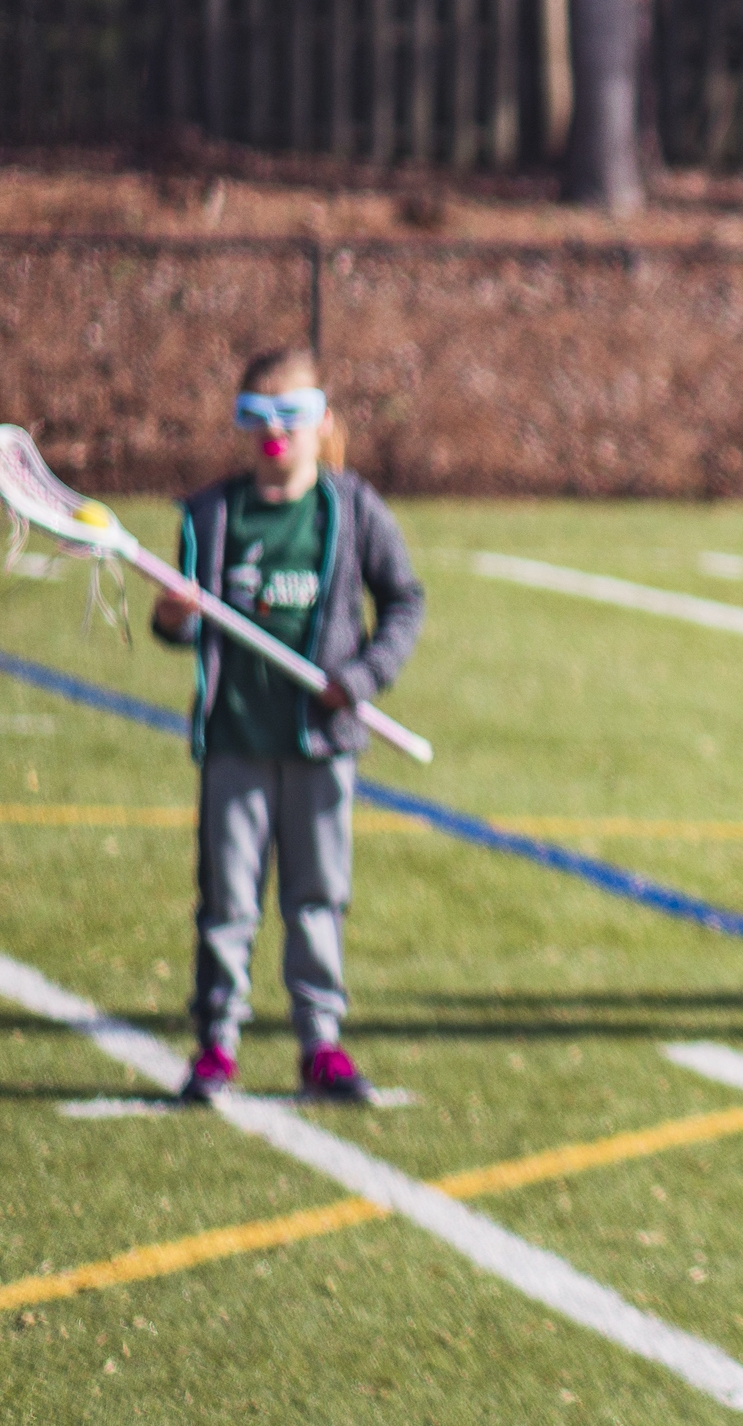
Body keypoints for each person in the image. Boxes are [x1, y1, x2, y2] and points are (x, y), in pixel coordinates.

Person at [150, 347, 426, 1106]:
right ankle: (217, 1043)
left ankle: (320, 1042)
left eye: (291, 418)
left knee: (317, 895)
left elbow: (404, 600)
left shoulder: (353, 508)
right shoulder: (211, 513)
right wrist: (173, 612)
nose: (276, 436)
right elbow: (177, 624)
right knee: (228, 900)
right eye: (259, 419)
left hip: (320, 745)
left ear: (322, 423)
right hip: (237, 739)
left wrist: (362, 678)